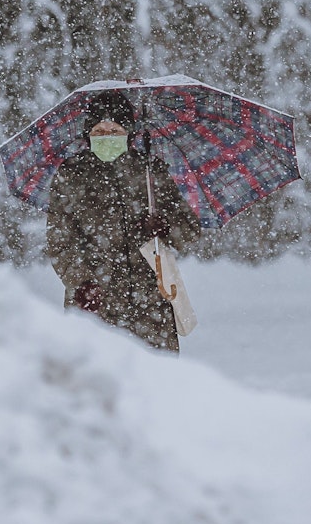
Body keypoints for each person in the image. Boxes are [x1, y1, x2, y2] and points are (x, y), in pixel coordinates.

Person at [46, 91, 200, 353]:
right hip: (94, 305)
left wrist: (164, 226)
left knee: (154, 385)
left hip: (150, 307)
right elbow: (60, 241)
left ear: (129, 133)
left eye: (115, 129)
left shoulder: (152, 172)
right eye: (99, 130)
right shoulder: (71, 175)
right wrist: (82, 283)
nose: (107, 136)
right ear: (87, 134)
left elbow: (189, 229)